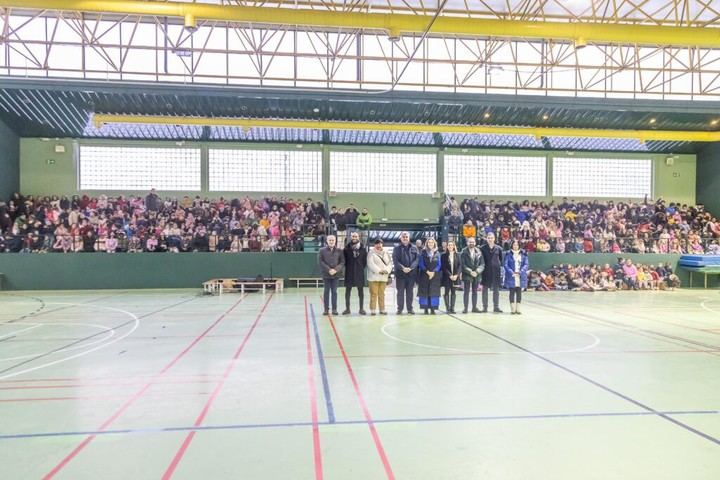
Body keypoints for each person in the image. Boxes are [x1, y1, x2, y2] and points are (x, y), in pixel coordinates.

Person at [392, 231, 419, 315]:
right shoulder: (396, 248)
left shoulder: (414, 248)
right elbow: (395, 261)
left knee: (410, 293)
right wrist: (403, 268)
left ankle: (410, 309)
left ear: (409, 238)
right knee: (400, 293)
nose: (405, 238)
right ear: (401, 238)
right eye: (403, 237)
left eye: (406, 236)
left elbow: (417, 260)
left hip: (411, 275)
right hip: (400, 275)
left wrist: (410, 268)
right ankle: (400, 309)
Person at [318, 235, 344, 315]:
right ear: (327, 241)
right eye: (330, 240)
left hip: (336, 275)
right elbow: (321, 261)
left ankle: (334, 309)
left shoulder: (339, 251)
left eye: (333, 240)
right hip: (326, 274)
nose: (331, 241)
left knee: (334, 292)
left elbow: (342, 262)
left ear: (335, 241)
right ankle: (326, 309)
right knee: (326, 291)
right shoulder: (322, 250)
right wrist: (329, 270)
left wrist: (335, 270)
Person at [343, 231, 367, 315]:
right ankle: (347, 309)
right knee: (347, 291)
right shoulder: (346, 249)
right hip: (349, 272)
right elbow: (344, 261)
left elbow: (364, 262)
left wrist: (359, 268)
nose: (354, 238)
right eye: (353, 236)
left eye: (356, 236)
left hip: (359, 273)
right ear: (351, 237)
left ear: (358, 237)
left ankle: (361, 309)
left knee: (360, 292)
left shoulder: (363, 249)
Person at [367, 239, 392, 315]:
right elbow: (370, 264)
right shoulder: (371, 253)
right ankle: (373, 310)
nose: (378, 245)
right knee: (373, 294)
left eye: (380, 244)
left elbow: (390, 263)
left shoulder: (386, 252)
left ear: (382, 245)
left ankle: (382, 309)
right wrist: (379, 271)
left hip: (383, 277)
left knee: (382, 294)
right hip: (374, 277)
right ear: (374, 245)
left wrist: (387, 270)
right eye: (377, 244)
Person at [417, 237, 442, 314]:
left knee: (433, 292)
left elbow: (439, 264)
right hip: (424, 275)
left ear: (434, 243)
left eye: (432, 242)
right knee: (425, 291)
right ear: (426, 243)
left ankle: (433, 309)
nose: (430, 244)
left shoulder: (437, 253)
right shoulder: (423, 252)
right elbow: (421, 263)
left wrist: (434, 272)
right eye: (429, 242)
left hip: (435, 276)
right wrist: (427, 272)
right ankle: (425, 308)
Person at [503, 240, 529, 315]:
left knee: (519, 292)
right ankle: (512, 309)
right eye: (514, 245)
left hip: (520, 276)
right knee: (511, 292)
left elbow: (526, 264)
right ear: (512, 245)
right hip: (511, 276)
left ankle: (518, 308)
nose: (515, 246)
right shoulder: (508, 254)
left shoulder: (524, 254)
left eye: (517, 245)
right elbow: (506, 265)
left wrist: (521, 272)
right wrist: (512, 272)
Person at [460, 236, 485, 313]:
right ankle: (465, 308)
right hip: (467, 274)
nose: (471, 243)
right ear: (467, 243)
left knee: (475, 292)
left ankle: (474, 307)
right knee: (466, 292)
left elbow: (482, 264)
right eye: (470, 242)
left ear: (475, 243)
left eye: (473, 242)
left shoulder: (479, 252)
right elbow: (463, 265)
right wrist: (470, 272)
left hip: (476, 275)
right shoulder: (463, 252)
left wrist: (477, 272)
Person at [480, 232, 504, 313]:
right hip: (485, 272)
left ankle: (496, 307)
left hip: (496, 272)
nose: (490, 239)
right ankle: (485, 307)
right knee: (485, 290)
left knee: (496, 290)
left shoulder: (499, 249)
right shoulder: (482, 248)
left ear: (494, 238)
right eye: (488, 238)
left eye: (491, 238)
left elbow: (500, 260)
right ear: (486, 239)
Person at [441, 240, 461, 313]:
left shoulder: (458, 255)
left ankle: (452, 308)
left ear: (454, 246)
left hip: (455, 277)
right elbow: (443, 267)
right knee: (446, 292)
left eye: (451, 245)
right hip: (447, 277)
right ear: (447, 247)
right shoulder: (443, 255)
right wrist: (450, 275)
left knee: (453, 292)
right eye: (449, 245)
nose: (450, 246)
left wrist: (456, 275)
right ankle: (447, 308)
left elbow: (460, 266)